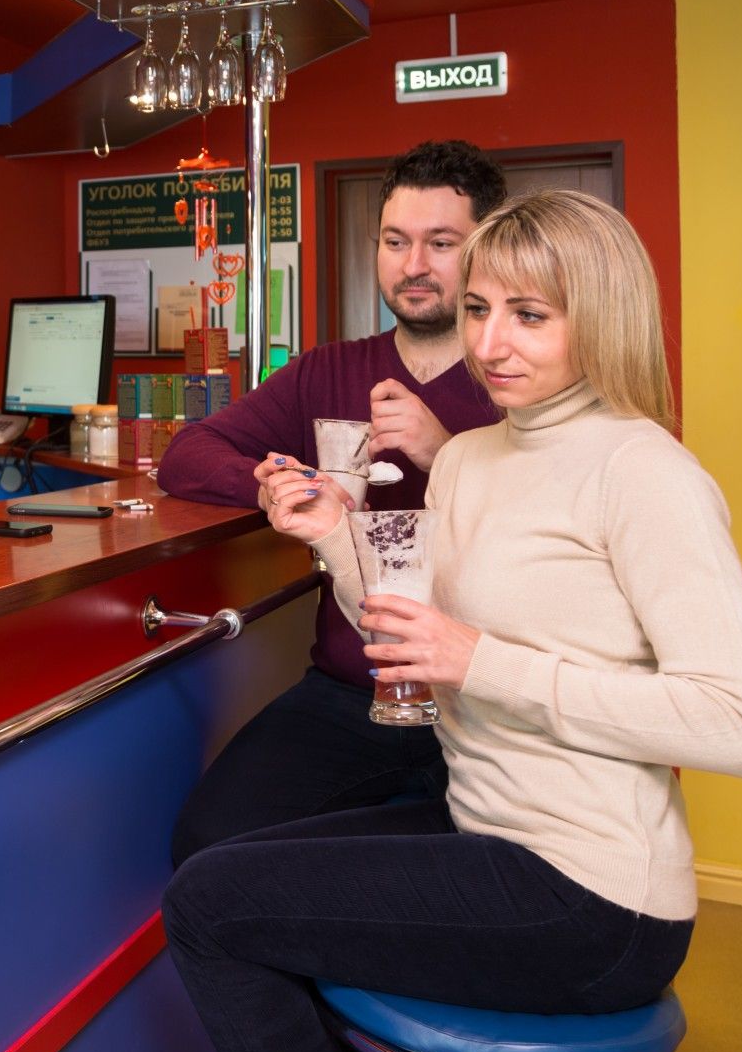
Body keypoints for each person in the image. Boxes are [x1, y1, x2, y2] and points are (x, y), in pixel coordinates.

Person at [162, 190, 742, 1052]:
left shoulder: (645, 471)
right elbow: (410, 632)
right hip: (483, 830)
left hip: (594, 897)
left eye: (530, 316)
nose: (490, 345)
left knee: (209, 908)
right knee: (217, 865)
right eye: (480, 310)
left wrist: (482, 662)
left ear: (602, 319)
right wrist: (333, 533)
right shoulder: (469, 457)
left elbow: (737, 725)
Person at [158, 140, 507, 863]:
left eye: (442, 243)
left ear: (485, 251)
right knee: (209, 844)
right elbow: (187, 453)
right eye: (395, 241)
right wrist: (275, 482)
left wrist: (444, 453)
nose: (414, 264)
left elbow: (556, 529)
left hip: (487, 703)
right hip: (352, 691)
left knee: (468, 873)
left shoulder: (517, 377)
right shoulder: (328, 369)